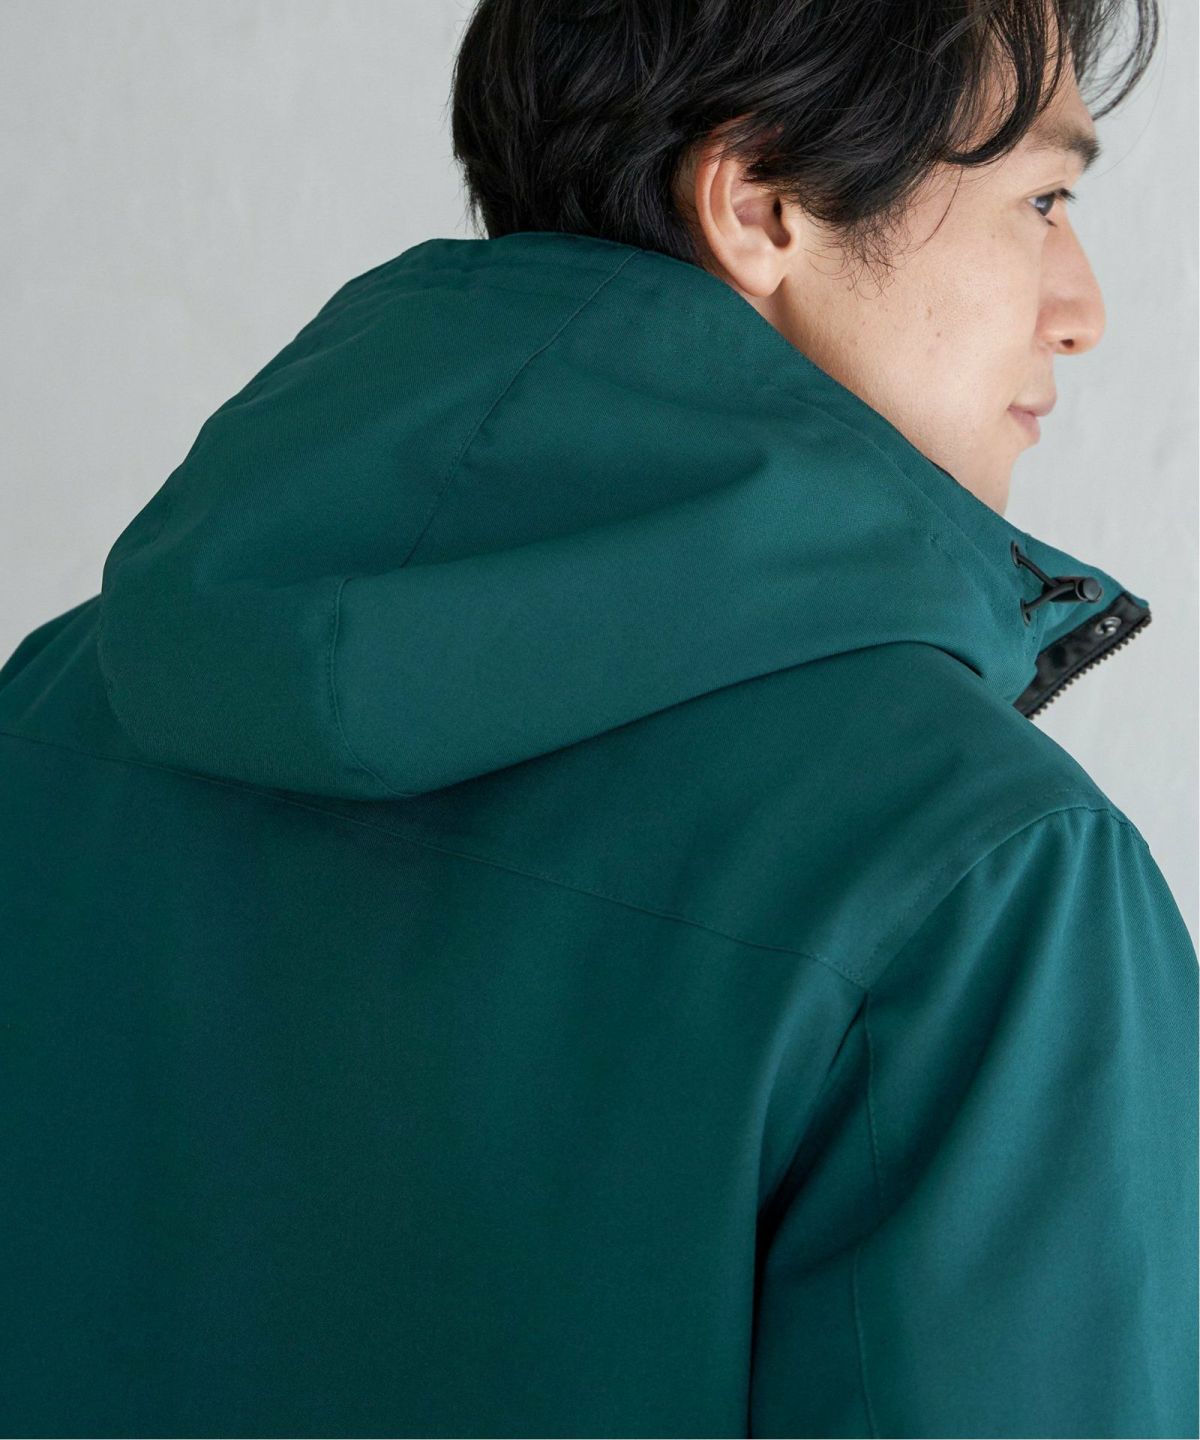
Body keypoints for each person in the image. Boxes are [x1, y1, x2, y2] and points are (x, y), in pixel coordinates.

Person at [0, 1, 1195, 1435]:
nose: (1082, 306)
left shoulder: (56, 706)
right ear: (760, 204)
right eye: (1043, 199)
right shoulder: (986, 877)